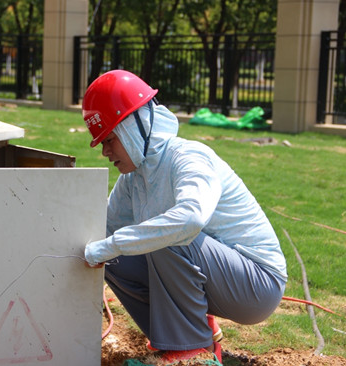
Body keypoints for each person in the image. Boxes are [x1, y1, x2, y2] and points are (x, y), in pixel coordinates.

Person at [81, 70, 287, 365]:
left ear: (132, 128)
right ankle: (184, 338)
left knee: (167, 235)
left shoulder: (188, 157)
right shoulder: (135, 177)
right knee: (114, 257)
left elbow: (191, 219)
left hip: (258, 285)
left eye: (110, 139)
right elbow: (105, 227)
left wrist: (112, 244)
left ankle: (190, 351)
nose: (105, 151)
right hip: (219, 278)